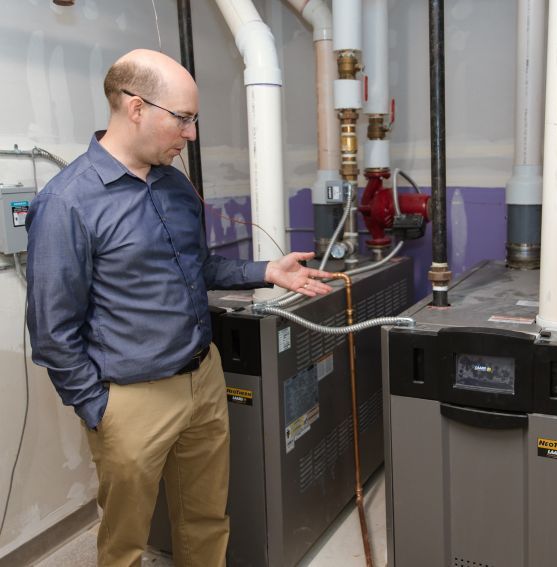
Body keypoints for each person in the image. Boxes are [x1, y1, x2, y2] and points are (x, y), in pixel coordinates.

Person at [26, 48, 332, 567]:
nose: (190, 134)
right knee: (125, 542)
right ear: (135, 107)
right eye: (183, 119)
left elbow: (199, 268)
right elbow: (52, 329)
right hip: (129, 400)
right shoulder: (67, 202)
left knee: (207, 519)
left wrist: (266, 272)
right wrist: (98, 409)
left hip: (203, 379)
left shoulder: (173, 184)